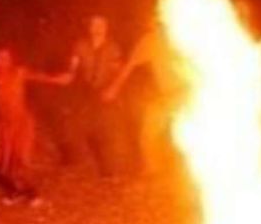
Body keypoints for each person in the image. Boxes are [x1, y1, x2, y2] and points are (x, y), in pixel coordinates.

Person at [0, 46, 72, 203]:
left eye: (6, 58)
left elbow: (41, 77)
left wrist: (58, 79)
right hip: (3, 125)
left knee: (21, 159)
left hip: (21, 123)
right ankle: (16, 191)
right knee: (6, 161)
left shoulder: (19, 73)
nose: (2, 61)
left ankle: (33, 193)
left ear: (11, 60)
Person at [106, 25, 186, 177]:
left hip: (191, 93)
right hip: (169, 96)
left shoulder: (184, 35)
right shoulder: (150, 41)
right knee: (148, 133)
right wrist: (114, 88)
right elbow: (129, 66)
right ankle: (154, 172)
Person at [60, 15, 128, 175]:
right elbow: (73, 65)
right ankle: (74, 159)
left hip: (105, 89)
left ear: (106, 27)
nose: (97, 28)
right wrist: (69, 74)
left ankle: (109, 168)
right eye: (94, 25)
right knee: (73, 124)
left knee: (106, 129)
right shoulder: (80, 45)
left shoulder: (113, 48)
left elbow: (119, 72)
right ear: (89, 27)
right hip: (85, 89)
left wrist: (114, 89)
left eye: (101, 25)